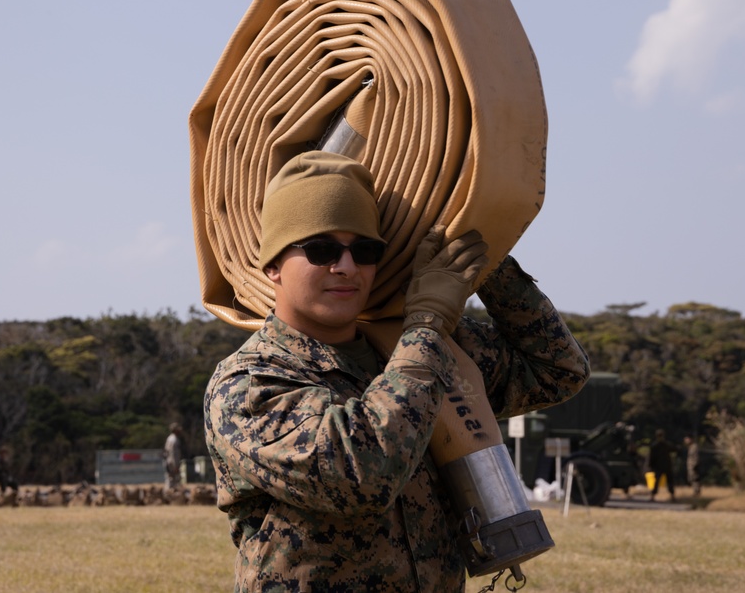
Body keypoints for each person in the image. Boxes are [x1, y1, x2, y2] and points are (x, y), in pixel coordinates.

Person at [203, 151, 590, 592]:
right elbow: (362, 474)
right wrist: (426, 324)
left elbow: (556, 369)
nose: (346, 267)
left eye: (364, 250)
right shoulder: (249, 384)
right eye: (321, 248)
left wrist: (482, 258)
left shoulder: (409, 348)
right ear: (273, 265)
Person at [648, 429, 677, 502]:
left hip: (662, 466)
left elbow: (651, 457)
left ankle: (671, 496)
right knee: (662, 482)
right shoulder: (662, 445)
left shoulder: (658, 445)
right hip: (662, 466)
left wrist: (651, 465)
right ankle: (654, 496)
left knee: (666, 481)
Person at [164, 422, 184, 490]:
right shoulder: (174, 440)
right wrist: (175, 465)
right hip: (173, 462)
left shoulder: (169, 438)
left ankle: (169, 492)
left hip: (168, 461)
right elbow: (173, 454)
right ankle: (171, 494)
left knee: (169, 478)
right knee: (173, 480)